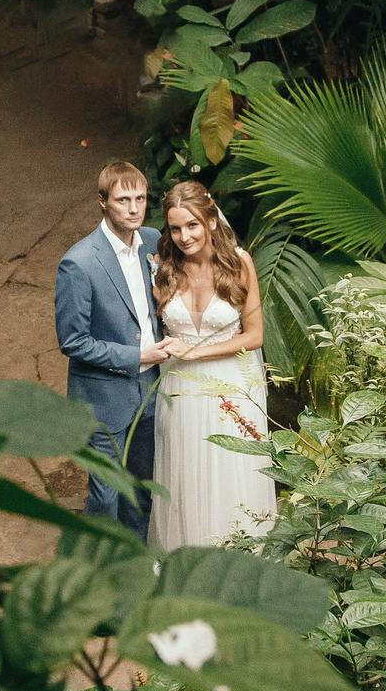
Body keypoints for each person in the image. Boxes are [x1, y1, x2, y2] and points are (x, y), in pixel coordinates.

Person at [147, 181, 276, 548]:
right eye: (175, 228)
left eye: (192, 225)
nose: (184, 236)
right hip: (180, 390)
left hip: (231, 384)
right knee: (186, 473)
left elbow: (254, 336)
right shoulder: (164, 268)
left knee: (231, 471)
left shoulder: (238, 263)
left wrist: (194, 353)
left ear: (211, 221)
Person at [54, 161, 167, 535]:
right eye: (123, 200)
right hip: (103, 399)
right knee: (104, 496)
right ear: (103, 202)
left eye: (140, 198)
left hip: (150, 392)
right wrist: (137, 357)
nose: (134, 208)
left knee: (139, 488)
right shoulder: (79, 263)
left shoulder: (153, 241)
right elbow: (72, 341)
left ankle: (132, 565)